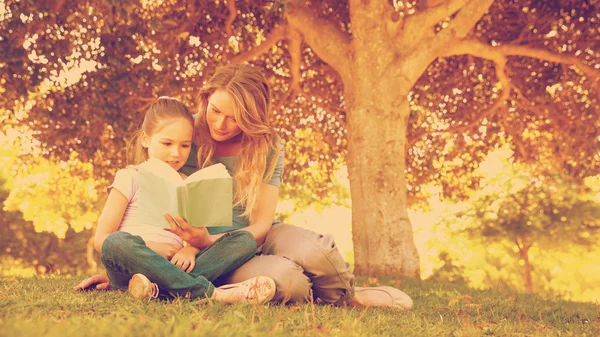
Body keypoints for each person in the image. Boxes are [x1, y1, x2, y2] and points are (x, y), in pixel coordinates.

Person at [165, 64, 413, 310]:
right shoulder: (183, 133)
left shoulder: (267, 144)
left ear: (252, 117)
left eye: (235, 118)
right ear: (206, 99)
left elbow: (262, 224)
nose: (220, 124)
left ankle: (347, 297)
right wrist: (203, 242)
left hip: (256, 236)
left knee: (317, 251)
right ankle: (306, 292)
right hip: (208, 253)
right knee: (289, 282)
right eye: (215, 110)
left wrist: (214, 238)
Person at [75, 97, 276, 304]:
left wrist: (190, 249)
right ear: (146, 139)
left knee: (244, 241)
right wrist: (152, 248)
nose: (175, 153)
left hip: (174, 265)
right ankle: (212, 293)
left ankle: (157, 290)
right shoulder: (130, 177)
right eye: (167, 143)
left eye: (185, 146)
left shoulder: (188, 185)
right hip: (129, 264)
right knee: (116, 242)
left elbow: (196, 235)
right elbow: (102, 239)